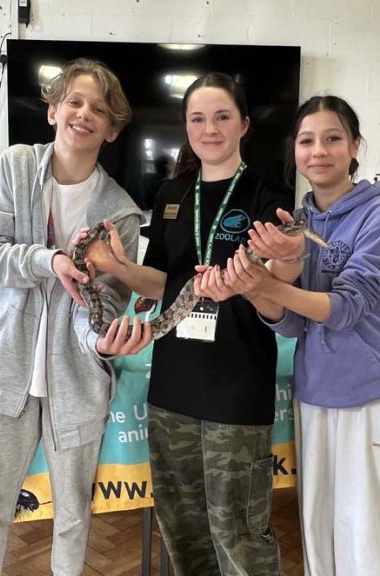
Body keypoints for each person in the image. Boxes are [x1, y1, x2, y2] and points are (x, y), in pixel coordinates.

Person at [78, 72, 288, 575]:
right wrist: (115, 266)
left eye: (221, 117)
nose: (209, 129)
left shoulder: (267, 193)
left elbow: (279, 289)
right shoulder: (172, 192)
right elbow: (163, 284)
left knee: (238, 530)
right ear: (186, 127)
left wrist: (252, 282)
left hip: (236, 385)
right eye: (197, 118)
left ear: (242, 125)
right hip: (173, 388)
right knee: (183, 527)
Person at [204, 95, 380, 575]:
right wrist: (255, 290)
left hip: (375, 396)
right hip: (317, 393)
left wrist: (270, 282)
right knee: (320, 536)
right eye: (307, 141)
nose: (318, 151)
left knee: (369, 541)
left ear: (355, 146)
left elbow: (345, 308)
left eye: (332, 138)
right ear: (294, 152)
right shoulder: (294, 224)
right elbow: (293, 321)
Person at [0, 58, 151, 576]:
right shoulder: (17, 167)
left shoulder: (121, 213)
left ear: (112, 129)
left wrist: (102, 344)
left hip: (77, 385)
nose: (84, 114)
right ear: (53, 110)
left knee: (73, 517)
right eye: (74, 101)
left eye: (99, 109)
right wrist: (50, 261)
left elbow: (109, 305)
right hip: (7, 372)